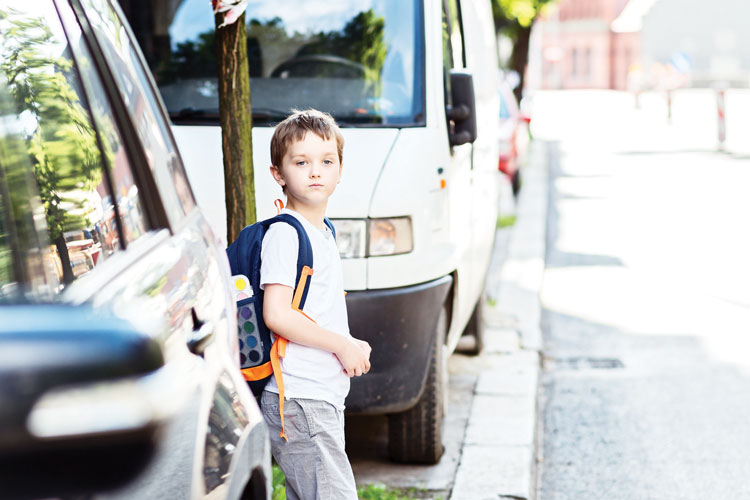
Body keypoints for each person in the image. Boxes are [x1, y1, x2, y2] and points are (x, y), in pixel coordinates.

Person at [260, 109, 372, 500]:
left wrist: (349, 341)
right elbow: (276, 313)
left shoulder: (321, 232)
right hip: (300, 399)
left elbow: (314, 310)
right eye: (301, 162)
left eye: (327, 161)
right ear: (279, 173)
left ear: (340, 170)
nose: (315, 172)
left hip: (316, 397)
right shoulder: (285, 234)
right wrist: (340, 345)